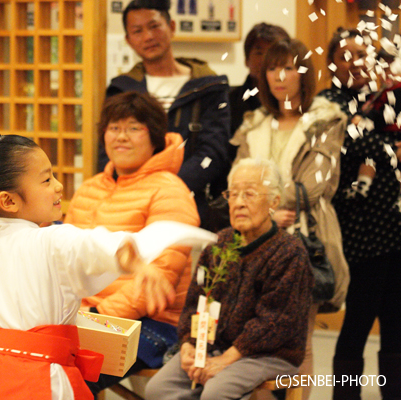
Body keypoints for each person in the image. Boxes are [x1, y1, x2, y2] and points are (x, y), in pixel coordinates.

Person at [0, 135, 216, 400]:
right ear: (8, 201)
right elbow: (96, 245)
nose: (58, 186)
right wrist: (137, 263)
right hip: (45, 382)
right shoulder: (52, 243)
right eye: (47, 180)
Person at [231, 37, 349, 400]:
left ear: (304, 74)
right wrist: (266, 211)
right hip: (255, 242)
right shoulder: (254, 124)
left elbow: (318, 183)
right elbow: (238, 179)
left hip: (304, 239)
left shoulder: (324, 121)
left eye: (288, 68)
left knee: (302, 340)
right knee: (253, 339)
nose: (278, 77)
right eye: (271, 68)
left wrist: (268, 203)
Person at [63, 92, 200, 396]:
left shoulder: (170, 191)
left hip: (152, 322)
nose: (121, 137)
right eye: (114, 128)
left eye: (134, 128)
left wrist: (95, 317)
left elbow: (159, 278)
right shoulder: (88, 189)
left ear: (154, 137)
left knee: (67, 377)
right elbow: (66, 259)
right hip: (87, 316)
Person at [145, 158, 314, 400]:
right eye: (233, 194)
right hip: (214, 345)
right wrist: (189, 346)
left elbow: (275, 322)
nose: (239, 203)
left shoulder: (289, 253)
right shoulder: (219, 243)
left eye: (250, 194)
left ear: (274, 202)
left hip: (269, 353)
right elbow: (195, 302)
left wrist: (227, 358)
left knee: (217, 393)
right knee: (159, 389)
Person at [319, 28, 401, 400]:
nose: (354, 62)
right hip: (359, 232)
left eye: (361, 53)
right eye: (344, 55)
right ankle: (344, 396)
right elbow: (350, 154)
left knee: (397, 326)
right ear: (332, 63)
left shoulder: (388, 98)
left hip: (396, 230)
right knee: (357, 325)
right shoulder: (328, 103)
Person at [99, 0, 231, 229]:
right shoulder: (121, 89)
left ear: (171, 26)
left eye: (154, 26)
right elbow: (108, 152)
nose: (148, 36)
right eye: (137, 31)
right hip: (131, 209)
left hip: (194, 208)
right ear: (128, 40)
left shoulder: (209, 87)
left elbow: (214, 152)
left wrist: (167, 189)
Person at [229, 23, 290, 140]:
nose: (266, 60)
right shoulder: (228, 103)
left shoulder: (294, 102)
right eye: (259, 53)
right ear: (247, 60)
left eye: (273, 53)